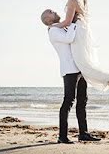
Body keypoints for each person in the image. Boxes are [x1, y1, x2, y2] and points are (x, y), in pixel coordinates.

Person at [41, 10, 101, 143]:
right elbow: (69, 39)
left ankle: (83, 133)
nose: (54, 11)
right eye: (50, 12)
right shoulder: (53, 31)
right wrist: (73, 23)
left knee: (82, 100)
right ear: (48, 19)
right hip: (69, 69)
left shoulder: (61, 28)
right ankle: (62, 136)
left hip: (79, 67)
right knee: (68, 101)